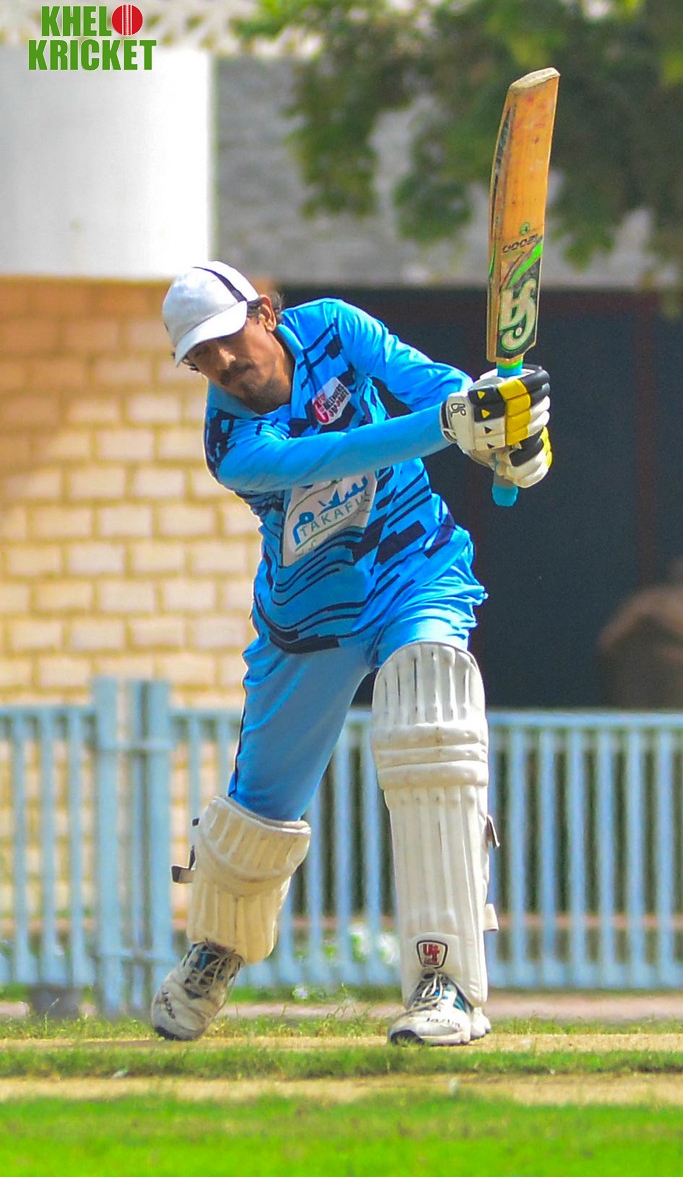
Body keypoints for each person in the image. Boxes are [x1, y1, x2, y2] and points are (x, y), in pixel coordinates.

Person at [151, 261, 552, 1045]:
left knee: (432, 725)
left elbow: (427, 382)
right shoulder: (232, 444)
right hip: (310, 616)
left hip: (412, 566)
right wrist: (454, 425)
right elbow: (337, 456)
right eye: (200, 355)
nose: (222, 362)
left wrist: (500, 425)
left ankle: (445, 983)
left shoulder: (334, 325)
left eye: (227, 337)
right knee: (261, 807)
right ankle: (217, 948)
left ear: (264, 313)